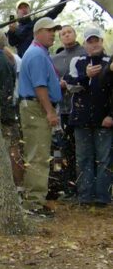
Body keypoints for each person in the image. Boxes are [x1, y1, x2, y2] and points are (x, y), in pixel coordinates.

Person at [18, 17, 62, 217]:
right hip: (37, 108)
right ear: (37, 32)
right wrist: (50, 111)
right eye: (49, 30)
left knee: (38, 154)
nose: (53, 33)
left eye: (55, 30)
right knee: (38, 156)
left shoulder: (39, 52)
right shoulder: (36, 54)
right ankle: (33, 204)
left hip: (36, 106)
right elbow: (39, 86)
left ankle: (36, 199)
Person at [64, 27, 112, 207]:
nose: (94, 44)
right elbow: (70, 84)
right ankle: (85, 196)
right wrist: (86, 76)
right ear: (84, 44)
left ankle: (102, 197)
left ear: (102, 41)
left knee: (104, 159)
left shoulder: (109, 62)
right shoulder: (78, 61)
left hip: (104, 120)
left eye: (97, 41)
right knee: (83, 157)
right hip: (81, 119)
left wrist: (111, 115)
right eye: (90, 42)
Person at [51, 25, 86, 198]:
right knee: (64, 150)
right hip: (62, 110)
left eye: (69, 32)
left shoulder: (84, 52)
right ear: (60, 38)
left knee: (83, 150)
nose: (66, 35)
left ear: (75, 34)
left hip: (82, 109)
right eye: (63, 33)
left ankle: (86, 188)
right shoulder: (55, 58)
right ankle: (68, 187)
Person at [0, 31, 24, 198]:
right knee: (14, 148)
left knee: (11, 150)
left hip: (1, 111)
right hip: (10, 109)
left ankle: (15, 186)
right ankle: (18, 187)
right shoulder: (10, 59)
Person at [7, 0, 72, 57]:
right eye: (21, 8)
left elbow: (53, 12)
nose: (23, 9)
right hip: (25, 61)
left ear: (30, 10)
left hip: (40, 56)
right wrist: (11, 32)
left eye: (26, 7)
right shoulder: (15, 29)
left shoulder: (37, 23)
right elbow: (12, 43)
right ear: (17, 12)